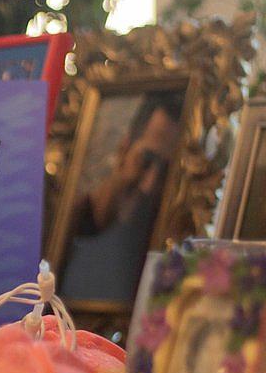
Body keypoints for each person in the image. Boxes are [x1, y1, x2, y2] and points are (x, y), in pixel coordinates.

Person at [60, 93, 184, 303]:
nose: (150, 184)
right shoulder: (63, 222)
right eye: (146, 159)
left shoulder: (165, 247)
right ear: (124, 148)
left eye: (165, 171)